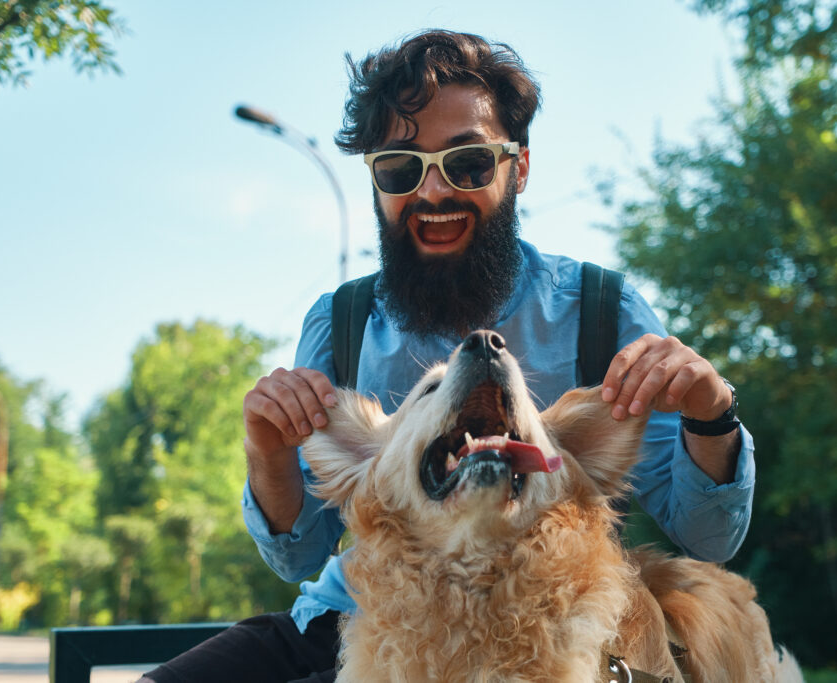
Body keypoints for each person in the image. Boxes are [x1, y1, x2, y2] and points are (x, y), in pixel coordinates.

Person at [142, 29, 754, 683]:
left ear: (517, 167)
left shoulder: (602, 309)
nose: (433, 193)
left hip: (544, 639)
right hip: (356, 619)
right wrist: (267, 451)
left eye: (467, 164)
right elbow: (299, 556)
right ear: (376, 181)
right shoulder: (340, 321)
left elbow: (708, 539)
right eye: (402, 169)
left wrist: (710, 415)